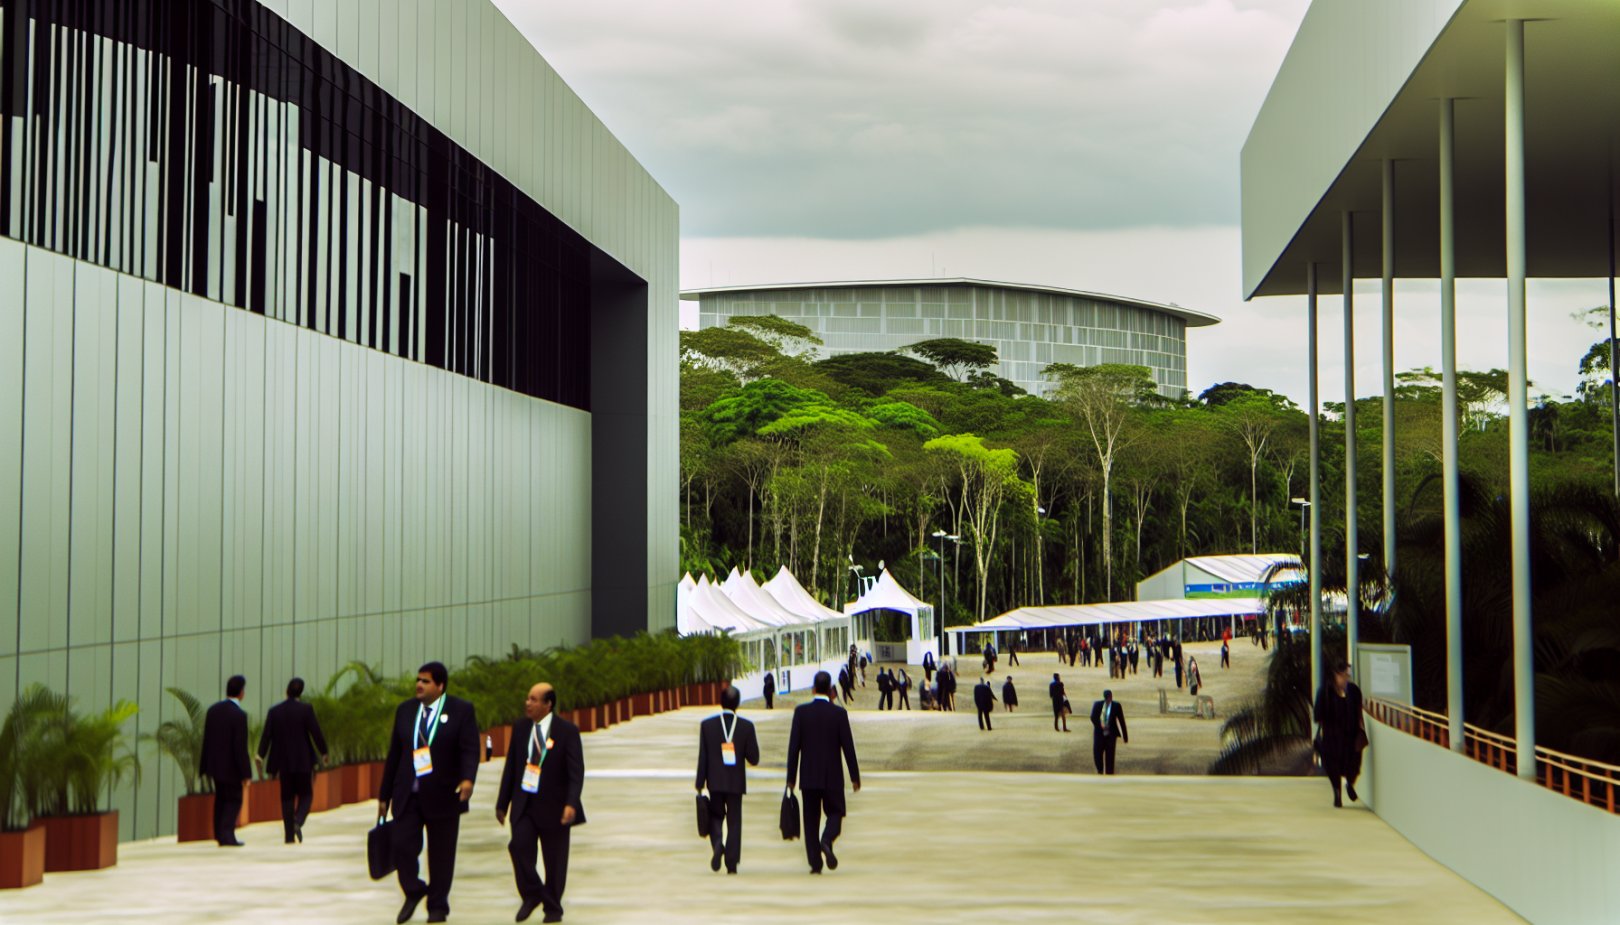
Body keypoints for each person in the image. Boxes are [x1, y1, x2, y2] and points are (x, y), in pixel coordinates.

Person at [379, 662, 480, 924]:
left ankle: (438, 906)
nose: (419, 685)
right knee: (401, 845)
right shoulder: (405, 710)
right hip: (408, 795)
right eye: (418, 680)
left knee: (441, 855)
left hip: (444, 794)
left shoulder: (460, 710)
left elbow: (470, 749)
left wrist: (468, 779)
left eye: (425, 681)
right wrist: (384, 795)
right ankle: (413, 890)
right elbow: (394, 754)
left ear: (440, 685)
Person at [496, 682, 585, 923]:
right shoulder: (521, 728)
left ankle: (553, 909)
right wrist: (502, 803)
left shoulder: (567, 731)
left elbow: (576, 772)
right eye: (528, 698)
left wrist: (571, 803)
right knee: (518, 847)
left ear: (548, 704)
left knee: (555, 862)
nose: (528, 703)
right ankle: (533, 894)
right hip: (525, 804)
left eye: (534, 700)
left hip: (556, 807)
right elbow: (511, 767)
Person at [785, 671, 861, 875]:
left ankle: (815, 864)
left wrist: (791, 779)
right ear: (830, 690)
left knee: (810, 820)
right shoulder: (839, 714)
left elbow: (794, 748)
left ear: (813, 689)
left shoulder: (801, 713)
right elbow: (848, 747)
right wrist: (854, 777)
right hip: (832, 776)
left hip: (808, 777)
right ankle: (826, 839)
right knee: (836, 812)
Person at [694, 685, 759, 875]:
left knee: (715, 816)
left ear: (720, 701)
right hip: (735, 782)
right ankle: (731, 863)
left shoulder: (707, 726)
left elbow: (703, 757)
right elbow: (754, 758)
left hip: (714, 781)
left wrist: (700, 783)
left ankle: (717, 844)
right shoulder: (746, 726)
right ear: (738, 703)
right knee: (734, 821)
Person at [256, 677, 329, 844]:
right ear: (300, 693)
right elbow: (316, 732)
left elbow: (267, 736)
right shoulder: (306, 709)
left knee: (286, 797)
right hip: (303, 762)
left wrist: (260, 755)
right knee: (306, 794)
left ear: (286, 691)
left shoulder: (275, 711)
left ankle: (289, 836)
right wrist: (324, 752)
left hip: (283, 763)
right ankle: (298, 820)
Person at [200, 675, 251, 847]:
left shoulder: (213, 711)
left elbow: (207, 740)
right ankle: (227, 834)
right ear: (241, 692)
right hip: (232, 768)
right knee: (234, 800)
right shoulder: (239, 715)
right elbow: (240, 747)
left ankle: (219, 834)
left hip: (214, 766)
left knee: (221, 799)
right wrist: (246, 773)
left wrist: (205, 765)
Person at [1314, 659, 1367, 808]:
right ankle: (1337, 793)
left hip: (1351, 734)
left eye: (1348, 676)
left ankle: (1350, 783)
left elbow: (1359, 712)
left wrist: (1361, 729)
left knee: (1353, 763)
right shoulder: (1325, 691)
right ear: (1336, 675)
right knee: (1332, 765)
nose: (1346, 679)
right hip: (1332, 736)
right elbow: (1318, 715)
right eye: (1344, 675)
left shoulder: (1354, 691)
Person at [1090, 689, 1128, 775]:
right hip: (1100, 733)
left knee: (1108, 755)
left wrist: (1125, 736)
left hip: (1110, 735)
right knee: (1098, 753)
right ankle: (1100, 770)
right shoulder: (1098, 705)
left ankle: (1108, 772)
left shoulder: (1116, 706)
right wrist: (1101, 725)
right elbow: (1093, 717)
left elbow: (1121, 721)